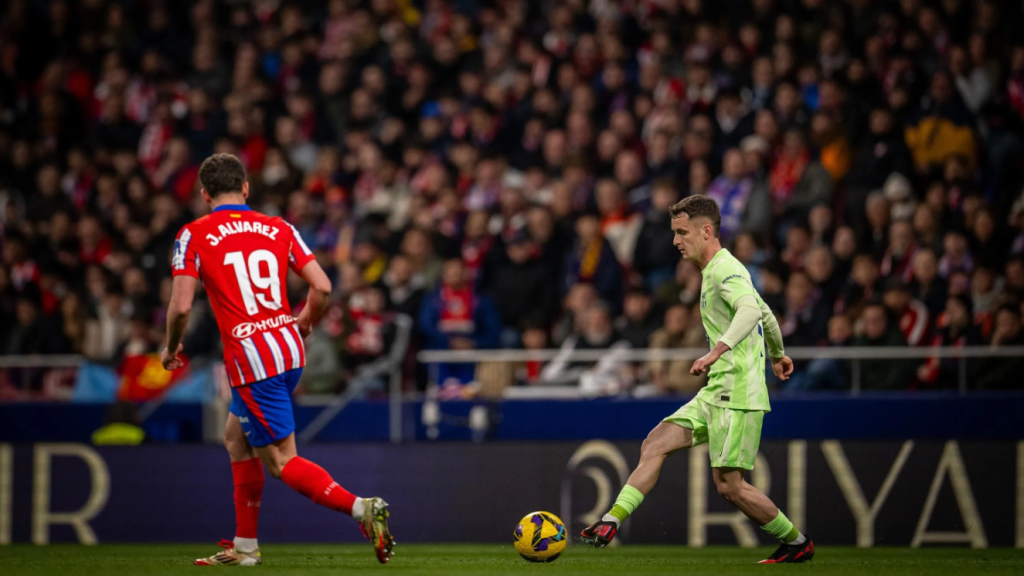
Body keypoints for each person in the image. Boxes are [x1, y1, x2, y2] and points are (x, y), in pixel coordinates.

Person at [161, 154, 394, 566]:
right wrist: (303, 322)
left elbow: (180, 308)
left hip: (252, 360)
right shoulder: (278, 226)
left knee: (281, 460)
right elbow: (321, 286)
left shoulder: (193, 234)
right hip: (288, 348)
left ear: (204, 194)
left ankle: (362, 507)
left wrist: (170, 346)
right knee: (236, 438)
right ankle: (246, 548)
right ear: (246, 188)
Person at [580, 195, 813, 563]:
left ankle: (798, 543)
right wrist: (777, 353)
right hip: (718, 389)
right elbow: (765, 314)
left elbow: (751, 310)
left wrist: (716, 350)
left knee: (730, 487)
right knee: (655, 443)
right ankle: (611, 520)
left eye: (682, 232)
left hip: (735, 392)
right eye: (674, 232)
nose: (675, 241)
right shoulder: (717, 271)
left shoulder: (724, 270)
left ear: (706, 231)